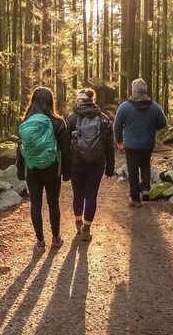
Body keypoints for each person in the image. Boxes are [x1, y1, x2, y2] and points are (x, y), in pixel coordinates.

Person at [17, 87, 72, 252]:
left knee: (36, 203)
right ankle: (56, 238)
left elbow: (20, 150)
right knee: (53, 202)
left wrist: (20, 171)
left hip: (32, 168)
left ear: (32, 100)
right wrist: (67, 172)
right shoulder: (58, 122)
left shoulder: (25, 122)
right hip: (52, 168)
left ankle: (40, 242)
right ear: (51, 101)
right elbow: (66, 149)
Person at [66, 89, 115, 241]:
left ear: (79, 100)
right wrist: (110, 167)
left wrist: (66, 167)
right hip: (97, 162)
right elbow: (109, 145)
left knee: (78, 194)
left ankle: (78, 221)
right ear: (94, 99)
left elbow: (65, 144)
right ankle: (86, 227)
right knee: (91, 195)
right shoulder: (104, 118)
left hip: (77, 162)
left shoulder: (72, 118)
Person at [113, 78, 167, 207]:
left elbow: (117, 126)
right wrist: (151, 127)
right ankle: (145, 189)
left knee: (132, 170)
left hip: (131, 145)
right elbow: (162, 123)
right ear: (145, 90)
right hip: (147, 143)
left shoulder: (125, 107)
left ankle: (135, 199)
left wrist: (119, 141)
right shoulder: (154, 106)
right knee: (145, 165)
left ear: (133, 90)